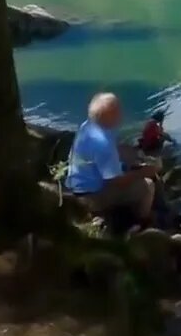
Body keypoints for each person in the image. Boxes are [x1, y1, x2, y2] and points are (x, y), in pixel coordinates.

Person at [65, 93, 158, 232]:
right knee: (148, 185)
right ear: (111, 116)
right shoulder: (103, 144)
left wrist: (130, 164)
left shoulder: (88, 126)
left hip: (77, 182)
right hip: (91, 194)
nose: (121, 113)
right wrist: (144, 172)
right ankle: (140, 225)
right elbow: (116, 181)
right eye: (118, 111)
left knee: (129, 162)